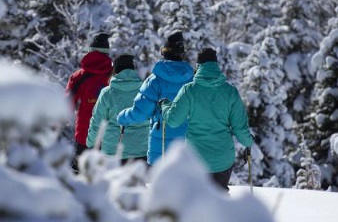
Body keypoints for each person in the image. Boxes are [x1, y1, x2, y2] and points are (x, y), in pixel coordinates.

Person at [160, 48, 253, 191]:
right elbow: (239, 127)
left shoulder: (189, 90)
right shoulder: (230, 91)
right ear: (216, 65)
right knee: (220, 199)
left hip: (195, 159)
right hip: (222, 159)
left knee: (197, 201)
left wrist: (165, 106)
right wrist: (248, 142)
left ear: (198, 66)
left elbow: (173, 120)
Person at [117, 31, 194, 166]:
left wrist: (122, 117)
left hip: (161, 149)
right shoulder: (193, 80)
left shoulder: (154, 81)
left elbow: (140, 113)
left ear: (164, 52)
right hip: (187, 149)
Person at [86, 54, 148, 164]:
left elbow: (97, 122)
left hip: (113, 152)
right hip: (142, 150)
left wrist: (91, 144)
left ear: (116, 70)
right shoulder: (145, 90)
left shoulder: (107, 93)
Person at [65, 32, 113, 170]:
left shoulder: (79, 77)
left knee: (80, 178)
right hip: (109, 135)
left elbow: (66, 105)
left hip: (84, 135)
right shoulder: (115, 76)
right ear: (107, 53)